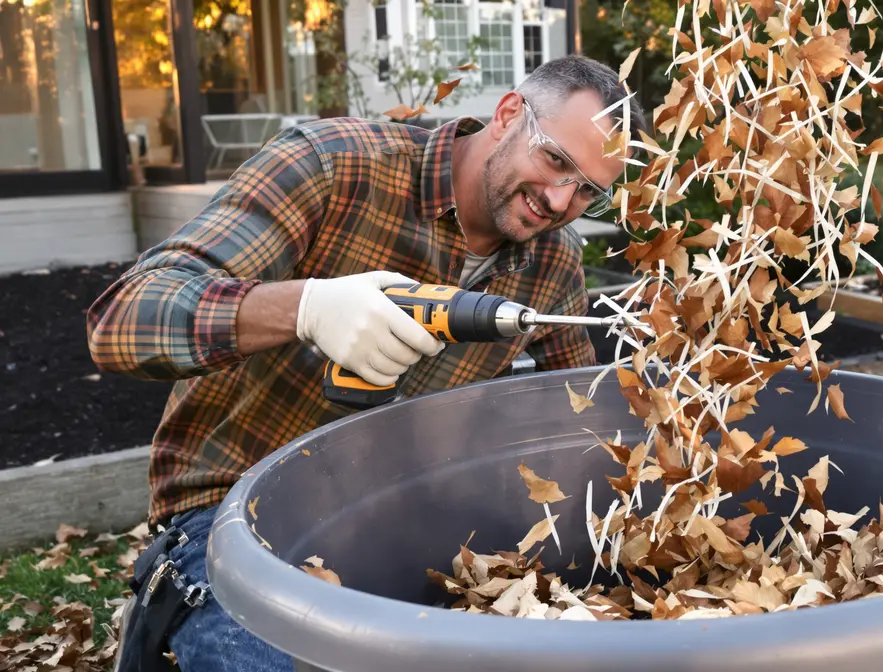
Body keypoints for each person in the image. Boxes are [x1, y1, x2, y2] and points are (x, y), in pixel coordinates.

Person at [88, 55, 647, 672]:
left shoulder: (553, 263)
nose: (559, 199)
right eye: (556, 160)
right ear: (509, 114)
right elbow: (122, 321)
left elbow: (579, 428)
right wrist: (306, 307)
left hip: (409, 526)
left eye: (589, 190)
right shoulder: (335, 164)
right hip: (234, 521)